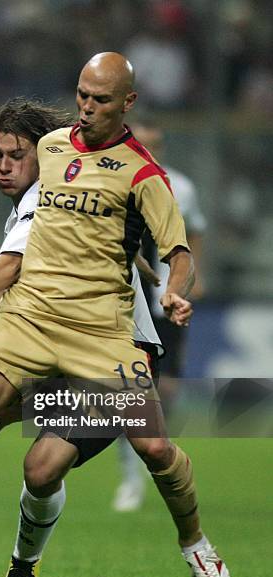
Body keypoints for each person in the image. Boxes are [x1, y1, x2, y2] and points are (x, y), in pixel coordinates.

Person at [0, 53, 230, 577]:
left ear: (128, 103)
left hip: (106, 336)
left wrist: (172, 288)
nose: (87, 107)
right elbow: (38, 260)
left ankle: (195, 542)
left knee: (126, 452)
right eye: (82, 95)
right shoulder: (53, 149)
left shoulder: (143, 173)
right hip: (34, 320)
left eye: (101, 98)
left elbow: (172, 249)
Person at [112, 117, 207, 513]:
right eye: (142, 143)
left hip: (166, 303)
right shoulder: (114, 179)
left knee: (165, 392)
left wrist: (192, 277)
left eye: (155, 144)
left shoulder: (180, 187)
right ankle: (131, 478)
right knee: (129, 392)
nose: (149, 151)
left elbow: (195, 231)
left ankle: (158, 460)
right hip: (129, 303)